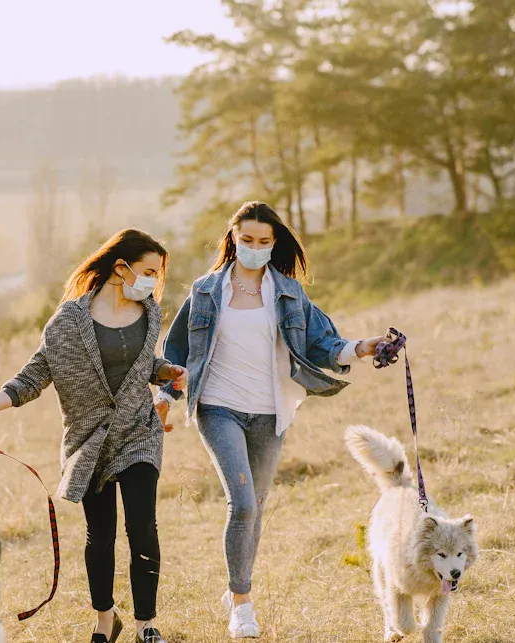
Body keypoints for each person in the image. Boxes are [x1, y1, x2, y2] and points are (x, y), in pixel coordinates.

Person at [155, 201, 386, 639]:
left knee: (255, 508)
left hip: (271, 411)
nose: (255, 248)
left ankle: (233, 585)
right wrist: (166, 396)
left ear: (274, 243)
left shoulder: (290, 293)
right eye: (247, 241)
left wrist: (363, 347)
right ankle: (242, 604)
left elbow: (323, 342)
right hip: (218, 407)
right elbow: (177, 353)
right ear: (233, 239)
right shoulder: (205, 291)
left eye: (264, 242)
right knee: (242, 504)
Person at [0, 228, 186, 643]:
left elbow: (137, 365)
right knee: (100, 537)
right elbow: (33, 377)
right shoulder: (67, 323)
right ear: (121, 267)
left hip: (139, 432)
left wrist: (165, 370)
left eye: (157, 273)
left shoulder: (150, 312)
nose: (154, 281)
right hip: (89, 441)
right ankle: (105, 620)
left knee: (143, 528)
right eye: (148, 271)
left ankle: (145, 626)